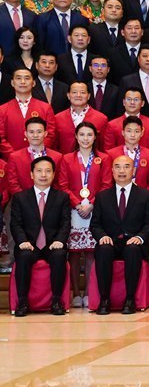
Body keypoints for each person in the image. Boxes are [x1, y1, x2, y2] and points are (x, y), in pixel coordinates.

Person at [90, 155, 149, 315]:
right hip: (111, 241)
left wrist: (140, 237)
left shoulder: (145, 195)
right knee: (104, 249)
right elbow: (95, 224)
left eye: (126, 167)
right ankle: (104, 299)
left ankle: (130, 299)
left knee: (132, 249)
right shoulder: (102, 196)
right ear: (112, 171)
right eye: (118, 167)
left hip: (134, 242)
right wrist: (102, 236)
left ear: (133, 170)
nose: (122, 171)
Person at [57, 122, 111, 309]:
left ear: (95, 137)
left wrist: (92, 204)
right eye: (82, 134)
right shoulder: (66, 158)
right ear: (76, 136)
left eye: (89, 135)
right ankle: (76, 293)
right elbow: (62, 185)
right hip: (73, 210)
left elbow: (106, 184)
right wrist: (78, 204)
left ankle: (88, 292)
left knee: (90, 253)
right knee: (73, 254)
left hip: (95, 211)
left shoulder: (103, 158)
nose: (86, 138)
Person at [9, 156, 70, 316]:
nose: (43, 175)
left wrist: (60, 240)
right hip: (29, 244)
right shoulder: (20, 198)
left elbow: (65, 223)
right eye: (39, 171)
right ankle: (22, 302)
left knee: (59, 255)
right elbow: (15, 224)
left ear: (53, 174)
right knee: (23, 256)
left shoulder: (62, 197)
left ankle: (56, 301)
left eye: (48, 171)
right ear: (31, 174)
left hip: (52, 244)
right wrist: (22, 241)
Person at [0, 68, 57, 156]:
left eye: (27, 78)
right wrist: (14, 156)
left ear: (33, 83)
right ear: (12, 83)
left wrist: (37, 153)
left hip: (40, 159)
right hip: (11, 160)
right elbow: (1, 138)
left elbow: (50, 134)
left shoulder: (45, 108)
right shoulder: (2, 109)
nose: (23, 82)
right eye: (18, 78)